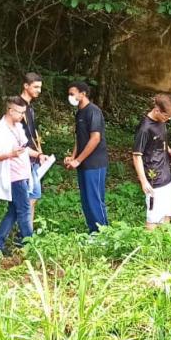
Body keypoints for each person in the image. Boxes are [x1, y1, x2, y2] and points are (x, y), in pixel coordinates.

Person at [0, 97, 42, 255]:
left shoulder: (18, 126)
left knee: (13, 211)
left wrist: (38, 155)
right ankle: (30, 245)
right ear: (10, 111)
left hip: (24, 173)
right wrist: (10, 154)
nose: (22, 116)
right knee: (24, 210)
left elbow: (25, 149)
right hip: (12, 176)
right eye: (20, 112)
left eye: (24, 112)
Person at [64, 81, 109, 233]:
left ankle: (103, 232)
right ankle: (93, 231)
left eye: (72, 94)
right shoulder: (79, 113)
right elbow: (79, 138)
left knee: (95, 199)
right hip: (83, 163)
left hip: (95, 163)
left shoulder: (93, 111)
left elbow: (95, 138)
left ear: (82, 94)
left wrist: (78, 160)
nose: (70, 97)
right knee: (86, 200)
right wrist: (72, 157)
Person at [132, 94, 171, 230]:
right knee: (153, 217)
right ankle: (148, 248)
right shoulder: (144, 128)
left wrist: (169, 150)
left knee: (167, 213)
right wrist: (144, 181)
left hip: (167, 176)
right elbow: (136, 155)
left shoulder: (161, 122)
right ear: (157, 110)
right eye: (166, 116)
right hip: (154, 179)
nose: (168, 119)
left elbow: (160, 141)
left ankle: (163, 246)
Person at [19, 73, 47, 220]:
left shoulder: (29, 108)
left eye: (40, 87)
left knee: (33, 196)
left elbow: (33, 132)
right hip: (24, 157)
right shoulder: (18, 106)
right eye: (36, 87)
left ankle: (27, 233)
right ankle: (23, 234)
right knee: (30, 196)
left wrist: (40, 153)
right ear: (26, 86)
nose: (39, 90)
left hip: (34, 156)